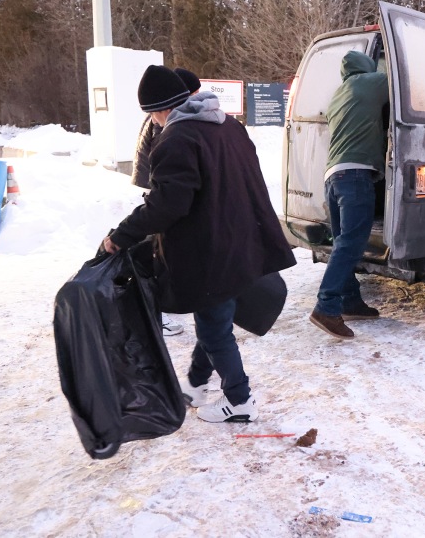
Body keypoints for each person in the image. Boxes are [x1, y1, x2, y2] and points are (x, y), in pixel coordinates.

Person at [103, 64, 295, 422]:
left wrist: (121, 236)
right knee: (214, 318)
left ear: (159, 110)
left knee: (213, 326)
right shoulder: (228, 126)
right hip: (241, 239)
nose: (154, 123)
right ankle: (194, 384)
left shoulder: (176, 140)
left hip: (211, 250)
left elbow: (167, 205)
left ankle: (239, 402)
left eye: (152, 116)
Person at [309, 51, 389, 340]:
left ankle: (350, 301)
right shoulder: (371, 82)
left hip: (333, 176)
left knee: (343, 242)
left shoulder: (337, 94)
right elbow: (407, 85)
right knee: (352, 244)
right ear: (366, 68)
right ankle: (326, 307)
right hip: (356, 175)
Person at [131, 67, 202, 338]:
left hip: (157, 188)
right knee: (158, 256)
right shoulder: (165, 123)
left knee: (159, 253)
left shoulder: (165, 118)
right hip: (157, 189)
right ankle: (157, 315)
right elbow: (167, 168)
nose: (194, 98)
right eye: (192, 93)